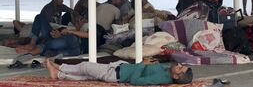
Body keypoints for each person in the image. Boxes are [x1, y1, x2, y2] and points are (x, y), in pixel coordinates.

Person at [44, 58, 193, 86]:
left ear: (176, 76)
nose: (179, 64)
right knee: (86, 76)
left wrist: (142, 64)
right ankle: (58, 74)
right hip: (120, 67)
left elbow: (135, 81)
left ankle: (60, 67)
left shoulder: (160, 78)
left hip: (116, 75)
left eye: (180, 68)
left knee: (86, 66)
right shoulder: (165, 71)